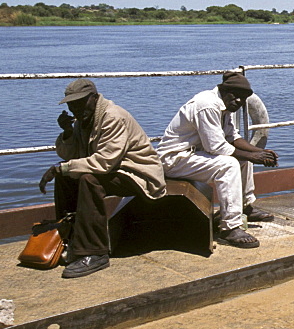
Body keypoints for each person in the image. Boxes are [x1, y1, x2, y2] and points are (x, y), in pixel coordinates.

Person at [39, 78, 167, 279]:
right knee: (67, 178)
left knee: (89, 180)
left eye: (80, 102)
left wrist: (60, 168)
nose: (75, 109)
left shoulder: (112, 117)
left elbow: (104, 162)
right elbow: (71, 157)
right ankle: (69, 239)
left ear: (94, 98)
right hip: (114, 170)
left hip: (138, 174)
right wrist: (68, 133)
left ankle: (94, 253)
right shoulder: (85, 119)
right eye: (72, 105)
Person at [157, 71, 278, 249]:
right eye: (235, 96)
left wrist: (260, 152)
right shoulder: (206, 104)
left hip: (193, 154)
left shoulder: (225, 106)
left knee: (244, 160)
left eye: (242, 99)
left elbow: (233, 137)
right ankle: (230, 228)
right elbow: (216, 147)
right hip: (175, 159)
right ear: (224, 90)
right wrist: (254, 156)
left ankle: (245, 206)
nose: (238, 101)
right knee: (228, 164)